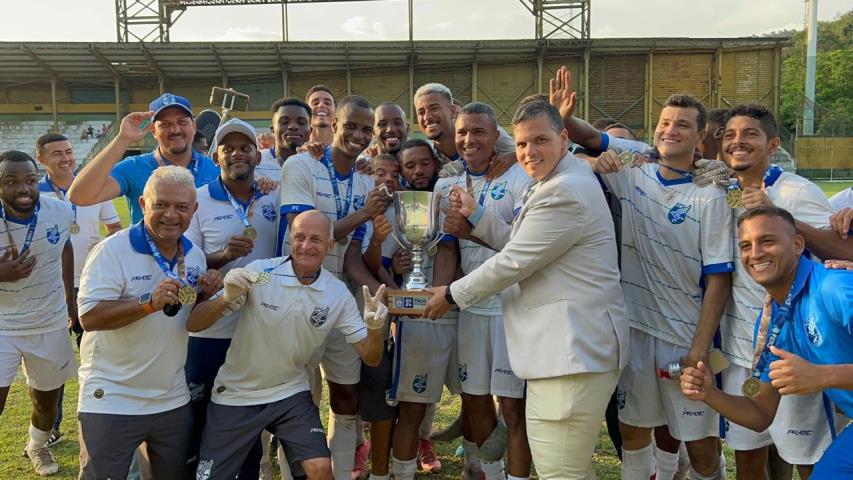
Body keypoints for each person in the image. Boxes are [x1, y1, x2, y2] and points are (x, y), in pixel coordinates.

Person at [423, 100, 629, 479]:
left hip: (571, 354)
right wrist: (477, 216)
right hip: (567, 355)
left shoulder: (563, 190)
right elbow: (524, 243)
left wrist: (449, 294)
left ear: (564, 138)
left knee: (559, 472)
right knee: (572, 469)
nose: (529, 152)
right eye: (521, 144)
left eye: (540, 140)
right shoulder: (553, 182)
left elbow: (514, 261)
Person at [590, 94, 733, 480]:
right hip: (635, 333)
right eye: (665, 122)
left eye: (682, 124)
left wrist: (699, 349)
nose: (670, 130)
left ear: (700, 136)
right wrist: (593, 159)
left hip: (686, 338)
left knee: (700, 445)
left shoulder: (711, 193)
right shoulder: (632, 173)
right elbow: (564, 155)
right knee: (634, 432)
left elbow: (719, 278)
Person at [189, 210, 388, 480]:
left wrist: (375, 329)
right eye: (299, 237)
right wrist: (226, 298)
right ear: (290, 240)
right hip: (236, 393)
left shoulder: (337, 293)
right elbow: (194, 324)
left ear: (330, 245)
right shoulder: (259, 272)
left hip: (290, 391)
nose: (306, 246)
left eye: (316, 239)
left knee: (319, 468)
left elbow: (371, 357)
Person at [680, 206, 853, 478]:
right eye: (746, 246)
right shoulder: (775, 318)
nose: (756, 254)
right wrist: (709, 393)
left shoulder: (835, 288)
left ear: (797, 244)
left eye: (767, 241)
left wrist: (822, 375)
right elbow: (760, 412)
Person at [75, 166, 221, 479]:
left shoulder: (194, 256)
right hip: (112, 398)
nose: (171, 215)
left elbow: (187, 321)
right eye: (161, 204)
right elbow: (89, 317)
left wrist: (206, 296)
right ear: (143, 204)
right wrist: (147, 303)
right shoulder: (111, 250)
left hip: (171, 398)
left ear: (193, 210)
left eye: (181, 207)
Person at [717, 104, 835, 479]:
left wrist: (778, 212)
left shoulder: (797, 191)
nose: (738, 142)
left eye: (750, 134)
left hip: (796, 350)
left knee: (807, 460)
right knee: (748, 457)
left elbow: (842, 250)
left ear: (772, 144)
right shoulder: (720, 190)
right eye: (730, 135)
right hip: (742, 351)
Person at [279, 94, 391, 479]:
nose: (358, 135)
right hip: (296, 294)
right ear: (330, 125)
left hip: (341, 298)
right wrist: (364, 211)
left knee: (346, 395)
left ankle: (342, 471)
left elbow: (350, 257)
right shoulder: (300, 165)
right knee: (299, 397)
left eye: (366, 129)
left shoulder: (364, 180)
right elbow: (307, 237)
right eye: (351, 126)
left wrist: (380, 290)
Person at [431, 102, 533, 480]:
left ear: (495, 137)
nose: (469, 139)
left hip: (511, 307)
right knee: (473, 397)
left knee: (512, 407)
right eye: (462, 133)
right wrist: (439, 294)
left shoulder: (521, 175)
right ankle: (489, 471)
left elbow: (525, 250)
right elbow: (446, 247)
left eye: (478, 132)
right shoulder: (446, 185)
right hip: (470, 307)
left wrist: (471, 228)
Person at [183, 118, 279, 477]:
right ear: (216, 155)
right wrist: (223, 256)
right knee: (201, 417)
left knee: (248, 419)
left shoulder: (273, 194)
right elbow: (187, 264)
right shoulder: (198, 200)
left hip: (258, 328)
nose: (238, 153)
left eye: (245, 147)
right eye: (229, 147)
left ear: (257, 154)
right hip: (211, 330)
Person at [376, 142, 459, 479]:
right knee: (413, 406)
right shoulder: (395, 209)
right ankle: (403, 473)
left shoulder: (449, 199)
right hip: (417, 317)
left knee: (477, 398)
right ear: (401, 169)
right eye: (410, 166)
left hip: (454, 306)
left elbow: (451, 252)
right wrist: (398, 289)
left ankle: (479, 466)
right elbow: (380, 262)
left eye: (425, 163)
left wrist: (439, 293)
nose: (419, 171)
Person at [34, 133, 123, 446]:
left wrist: (108, 242)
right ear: (41, 160)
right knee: (52, 365)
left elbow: (115, 228)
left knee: (99, 358)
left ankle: (102, 419)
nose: (66, 158)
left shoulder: (94, 186)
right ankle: (52, 428)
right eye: (56, 153)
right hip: (51, 290)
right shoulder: (34, 194)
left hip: (93, 286)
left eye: (69, 151)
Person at [0, 150, 77, 476]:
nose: (23, 188)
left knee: (46, 403)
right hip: (2, 324)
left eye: (30, 180)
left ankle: (37, 445)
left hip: (49, 320)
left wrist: (71, 302)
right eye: (11, 181)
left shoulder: (58, 211)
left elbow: (67, 248)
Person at [68, 92, 220, 224]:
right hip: (146, 255)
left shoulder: (215, 169)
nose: (175, 130)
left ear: (193, 126)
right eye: (165, 124)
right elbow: (79, 196)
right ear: (153, 130)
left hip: (201, 257)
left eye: (182, 122)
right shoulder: (134, 167)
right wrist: (122, 139)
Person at [256, 97, 312, 180]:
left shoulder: (321, 165)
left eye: (301, 122)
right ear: (273, 130)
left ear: (310, 130)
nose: (293, 126)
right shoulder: (257, 163)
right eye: (284, 122)